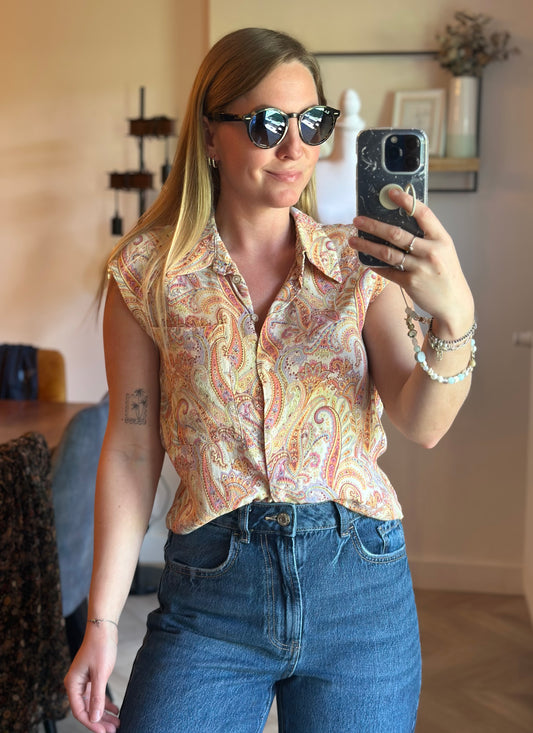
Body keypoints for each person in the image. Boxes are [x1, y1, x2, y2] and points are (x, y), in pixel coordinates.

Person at [65, 27, 475, 733]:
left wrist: (455, 316)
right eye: (266, 124)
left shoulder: (359, 266)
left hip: (358, 590)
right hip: (210, 596)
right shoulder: (146, 274)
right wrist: (101, 621)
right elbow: (131, 450)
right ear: (210, 134)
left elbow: (423, 421)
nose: (295, 148)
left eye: (311, 123)